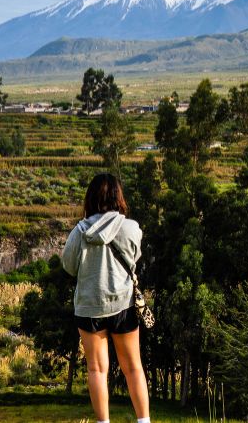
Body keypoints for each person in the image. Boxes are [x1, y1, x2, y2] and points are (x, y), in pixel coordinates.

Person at [61, 173, 150, 423]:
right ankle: (144, 421)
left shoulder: (79, 232)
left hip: (89, 307)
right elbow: (135, 257)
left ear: (90, 198)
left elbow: (69, 266)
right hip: (123, 304)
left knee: (97, 369)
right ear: (118, 197)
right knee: (133, 368)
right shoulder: (130, 228)